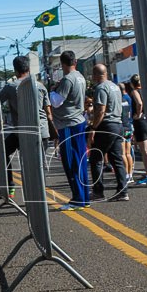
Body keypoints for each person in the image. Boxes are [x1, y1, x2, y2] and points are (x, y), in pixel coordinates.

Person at [0, 56, 52, 197]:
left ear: (15, 71)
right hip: (41, 131)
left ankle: (9, 186)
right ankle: (39, 197)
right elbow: (48, 111)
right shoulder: (40, 86)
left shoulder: (11, 87)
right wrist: (53, 131)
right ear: (28, 68)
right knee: (37, 166)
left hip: (21, 132)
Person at [50, 50, 90, 210]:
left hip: (68, 124)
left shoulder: (67, 80)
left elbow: (56, 102)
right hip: (79, 121)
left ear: (62, 64)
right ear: (75, 61)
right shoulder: (80, 77)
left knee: (70, 161)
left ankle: (77, 199)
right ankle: (84, 197)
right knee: (80, 160)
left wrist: (53, 90)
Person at [88, 65, 129, 202]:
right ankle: (123, 191)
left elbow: (100, 110)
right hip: (118, 124)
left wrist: (93, 128)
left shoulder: (101, 88)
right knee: (117, 159)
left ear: (96, 75)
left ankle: (98, 191)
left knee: (96, 158)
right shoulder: (115, 87)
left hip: (106, 125)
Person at [129, 74, 147, 185]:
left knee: (144, 150)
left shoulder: (135, 92)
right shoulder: (145, 90)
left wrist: (138, 114)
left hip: (140, 122)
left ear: (131, 83)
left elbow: (139, 103)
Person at [119, 82, 135, 180]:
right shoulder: (126, 100)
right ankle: (130, 173)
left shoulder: (119, 101)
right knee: (128, 152)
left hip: (121, 128)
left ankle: (125, 174)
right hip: (128, 127)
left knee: (122, 153)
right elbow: (129, 114)